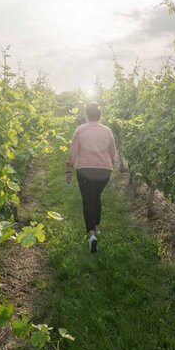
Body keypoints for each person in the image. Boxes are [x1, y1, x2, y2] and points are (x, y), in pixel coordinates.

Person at [66, 102, 116, 253]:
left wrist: (68, 170)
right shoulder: (107, 131)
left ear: (87, 115)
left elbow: (73, 152)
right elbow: (113, 152)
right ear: (100, 115)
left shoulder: (80, 130)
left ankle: (92, 236)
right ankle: (97, 227)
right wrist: (109, 165)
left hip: (85, 170)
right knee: (96, 197)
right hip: (104, 171)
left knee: (88, 200)